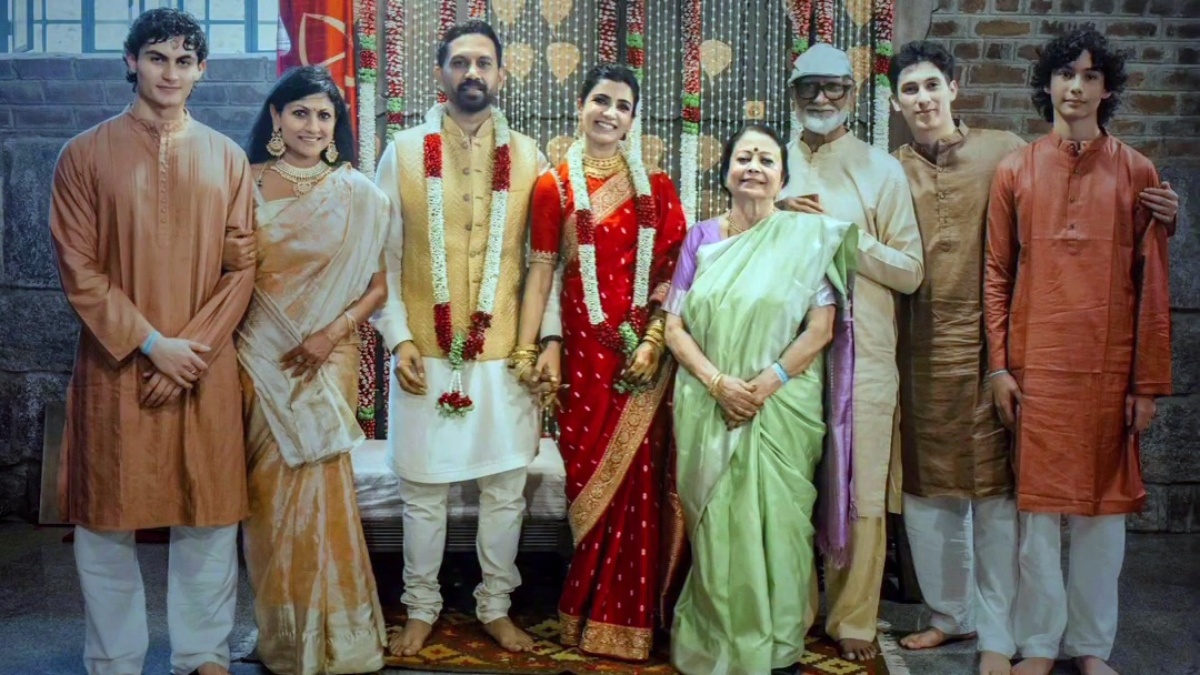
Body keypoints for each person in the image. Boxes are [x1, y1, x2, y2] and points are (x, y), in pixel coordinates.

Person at [48, 8, 255, 675]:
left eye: (184, 59)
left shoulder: (227, 158)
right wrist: (149, 344)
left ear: (202, 70)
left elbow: (242, 266)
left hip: (202, 363)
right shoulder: (84, 154)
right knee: (106, 520)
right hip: (117, 367)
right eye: (158, 57)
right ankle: (115, 657)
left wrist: (184, 350)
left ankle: (201, 651)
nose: (171, 72)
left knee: (210, 514)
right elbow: (79, 270)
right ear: (131, 61)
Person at [985, 28, 1176, 675]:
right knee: (1037, 514)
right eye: (1065, 74)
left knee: (1101, 516)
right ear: (1047, 84)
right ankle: (1038, 644)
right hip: (1037, 366)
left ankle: (1092, 646)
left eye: (1090, 76)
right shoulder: (1016, 168)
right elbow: (996, 274)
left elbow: (1152, 287)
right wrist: (999, 366)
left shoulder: (1138, 172)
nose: (1075, 86)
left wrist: (1146, 384)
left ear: (1108, 88)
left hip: (1107, 369)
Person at [372, 19, 562, 656]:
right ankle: (421, 607)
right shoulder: (401, 151)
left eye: (484, 63)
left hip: (505, 355)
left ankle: (496, 606)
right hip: (424, 352)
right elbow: (383, 260)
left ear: (501, 74)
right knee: (423, 492)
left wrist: (547, 342)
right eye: (460, 62)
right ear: (440, 73)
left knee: (504, 492)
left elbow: (546, 265)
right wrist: (397, 339)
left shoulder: (533, 157)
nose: (472, 73)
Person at [666, 123, 858, 675]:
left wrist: (766, 382)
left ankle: (776, 645)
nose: (753, 166)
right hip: (711, 402)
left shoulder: (804, 238)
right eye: (743, 157)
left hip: (781, 407)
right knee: (722, 527)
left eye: (766, 160)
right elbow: (674, 325)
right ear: (726, 171)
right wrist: (719, 384)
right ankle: (718, 641)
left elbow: (821, 327)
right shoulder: (701, 238)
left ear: (781, 177)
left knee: (781, 527)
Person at [514, 63, 687, 660]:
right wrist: (544, 346)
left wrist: (654, 342)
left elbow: (672, 276)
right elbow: (546, 273)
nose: (609, 112)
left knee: (640, 485)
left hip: (644, 360)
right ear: (581, 106)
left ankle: (635, 619)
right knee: (589, 486)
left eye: (622, 105)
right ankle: (587, 611)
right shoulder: (551, 187)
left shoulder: (657, 190)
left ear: (634, 118)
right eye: (600, 100)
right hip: (585, 363)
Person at [223, 65, 392, 674]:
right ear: (276, 117)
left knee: (324, 491)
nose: (313, 126)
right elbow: (218, 270)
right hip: (256, 358)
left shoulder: (359, 195)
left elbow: (378, 287)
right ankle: (284, 637)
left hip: (327, 358)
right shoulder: (241, 183)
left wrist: (330, 334)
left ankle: (337, 639)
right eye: (300, 113)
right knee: (267, 501)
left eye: (325, 116)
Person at [777, 43, 924, 662]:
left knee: (860, 484)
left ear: (853, 94)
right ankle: (789, 611)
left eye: (833, 87)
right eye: (807, 88)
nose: (821, 99)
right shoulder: (770, 160)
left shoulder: (880, 170)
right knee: (785, 485)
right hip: (783, 354)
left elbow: (911, 271)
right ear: (793, 95)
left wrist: (840, 235)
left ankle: (853, 617)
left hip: (863, 355)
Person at [888, 41, 1025, 675]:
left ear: (954, 88)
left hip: (995, 349)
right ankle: (950, 616)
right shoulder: (892, 169)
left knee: (996, 497)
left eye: (931, 85)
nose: (923, 99)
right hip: (918, 349)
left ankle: (1001, 627)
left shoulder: (1005, 152)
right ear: (896, 102)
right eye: (910, 90)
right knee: (929, 491)